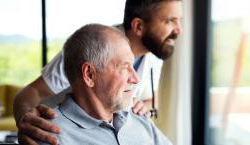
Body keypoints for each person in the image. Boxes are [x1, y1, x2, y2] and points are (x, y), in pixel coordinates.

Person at [13, 0, 182, 144]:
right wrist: (28, 123)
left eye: (179, 21)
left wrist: (140, 108)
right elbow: (29, 94)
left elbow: (152, 100)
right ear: (138, 26)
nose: (178, 30)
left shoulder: (154, 52)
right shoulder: (88, 49)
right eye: (170, 21)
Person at [38, 23, 172, 145]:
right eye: (124, 67)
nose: (135, 79)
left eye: (132, 66)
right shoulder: (50, 135)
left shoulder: (139, 119)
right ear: (89, 74)